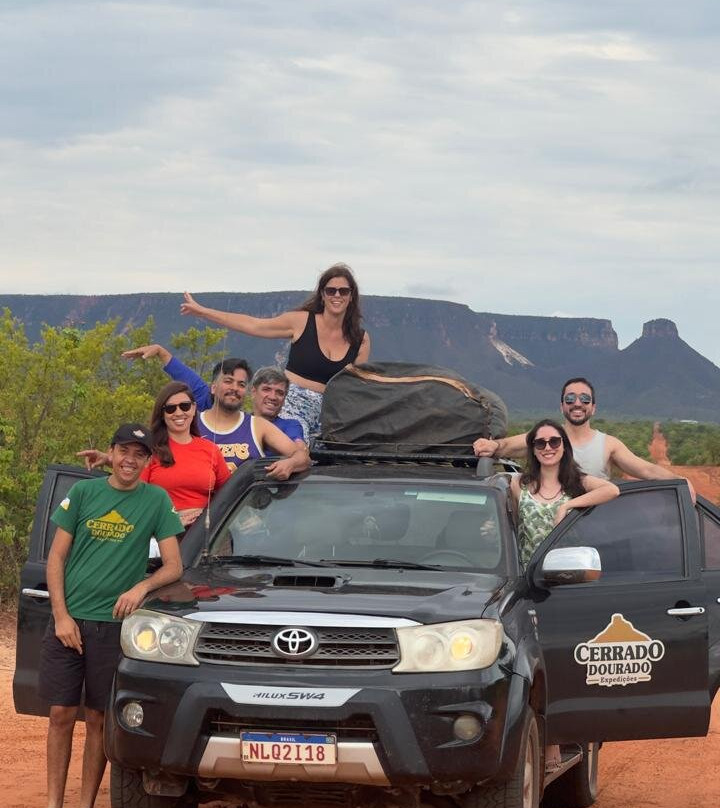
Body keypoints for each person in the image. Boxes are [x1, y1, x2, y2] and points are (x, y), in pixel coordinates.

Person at [40, 422, 183, 808]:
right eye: (123, 452)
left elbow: (174, 566)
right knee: (60, 714)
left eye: (139, 455)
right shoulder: (84, 492)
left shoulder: (156, 501)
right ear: (112, 452)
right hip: (70, 622)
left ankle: (86, 803)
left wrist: (141, 588)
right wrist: (61, 616)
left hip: (113, 627)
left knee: (99, 720)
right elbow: (56, 557)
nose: (129, 460)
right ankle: (53, 803)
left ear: (147, 461)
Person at [180, 263, 371, 442]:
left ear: (351, 296)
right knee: (296, 448)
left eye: (343, 291)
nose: (337, 295)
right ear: (322, 294)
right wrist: (203, 312)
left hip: (331, 414)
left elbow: (356, 388)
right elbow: (254, 325)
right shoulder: (301, 322)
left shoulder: (359, 339)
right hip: (293, 407)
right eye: (331, 290)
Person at [473, 376, 696, 500]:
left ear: (593, 407)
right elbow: (507, 446)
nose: (577, 403)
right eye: (570, 399)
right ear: (562, 406)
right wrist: (491, 444)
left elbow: (647, 470)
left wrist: (680, 481)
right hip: (549, 529)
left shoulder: (608, 444)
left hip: (593, 528)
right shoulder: (548, 439)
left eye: (585, 399)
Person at [121, 344, 305, 451]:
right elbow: (194, 382)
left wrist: (296, 457)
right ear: (253, 391)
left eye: (280, 392)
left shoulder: (289, 426)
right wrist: (162, 353)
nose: (273, 396)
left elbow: (298, 448)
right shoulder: (224, 415)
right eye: (267, 389)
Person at [510, 418, 619, 567]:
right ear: (533, 450)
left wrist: (567, 506)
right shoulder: (519, 484)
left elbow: (612, 490)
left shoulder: (578, 482)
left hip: (568, 573)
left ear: (564, 446)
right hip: (528, 575)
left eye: (554, 442)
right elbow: (511, 525)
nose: (548, 447)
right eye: (540, 443)